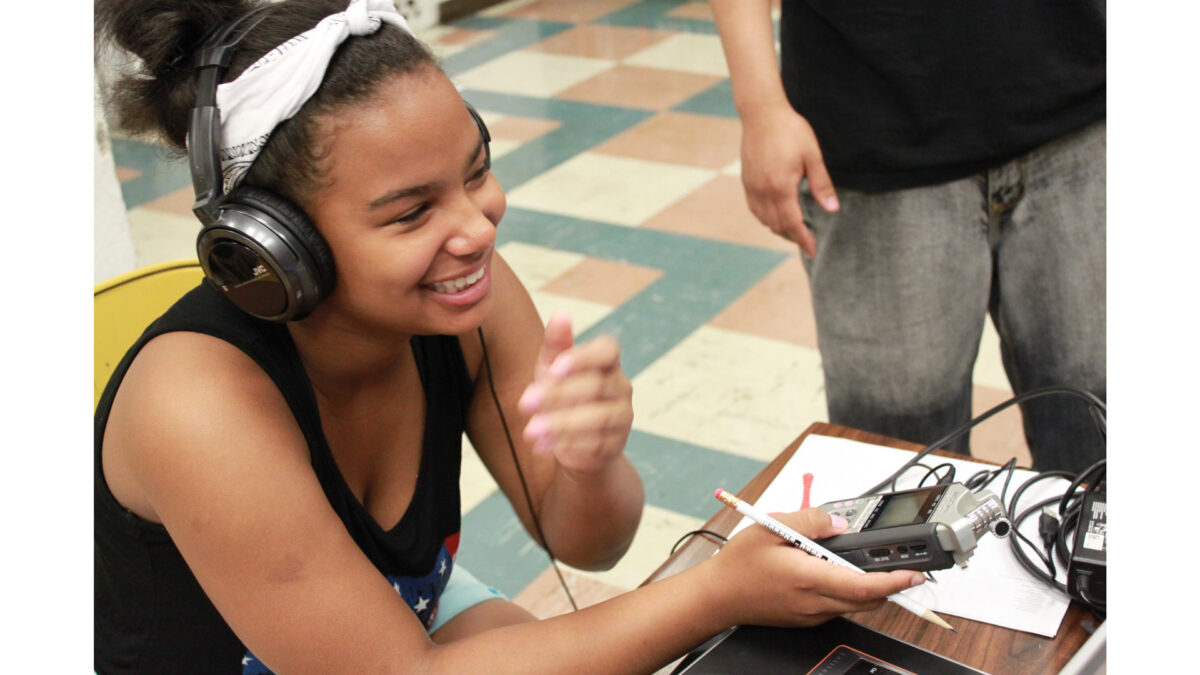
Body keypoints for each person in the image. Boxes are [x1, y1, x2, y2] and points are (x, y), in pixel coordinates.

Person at [93, 1, 927, 672]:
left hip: (391, 626)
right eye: (413, 211)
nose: (478, 227)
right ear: (273, 248)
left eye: (476, 169)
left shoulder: (460, 305)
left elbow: (589, 541)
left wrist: (590, 461)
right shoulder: (196, 405)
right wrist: (718, 592)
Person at [710, 1, 1106, 474]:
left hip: (1081, 101)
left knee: (1102, 432)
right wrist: (759, 106)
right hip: (872, 130)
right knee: (901, 462)